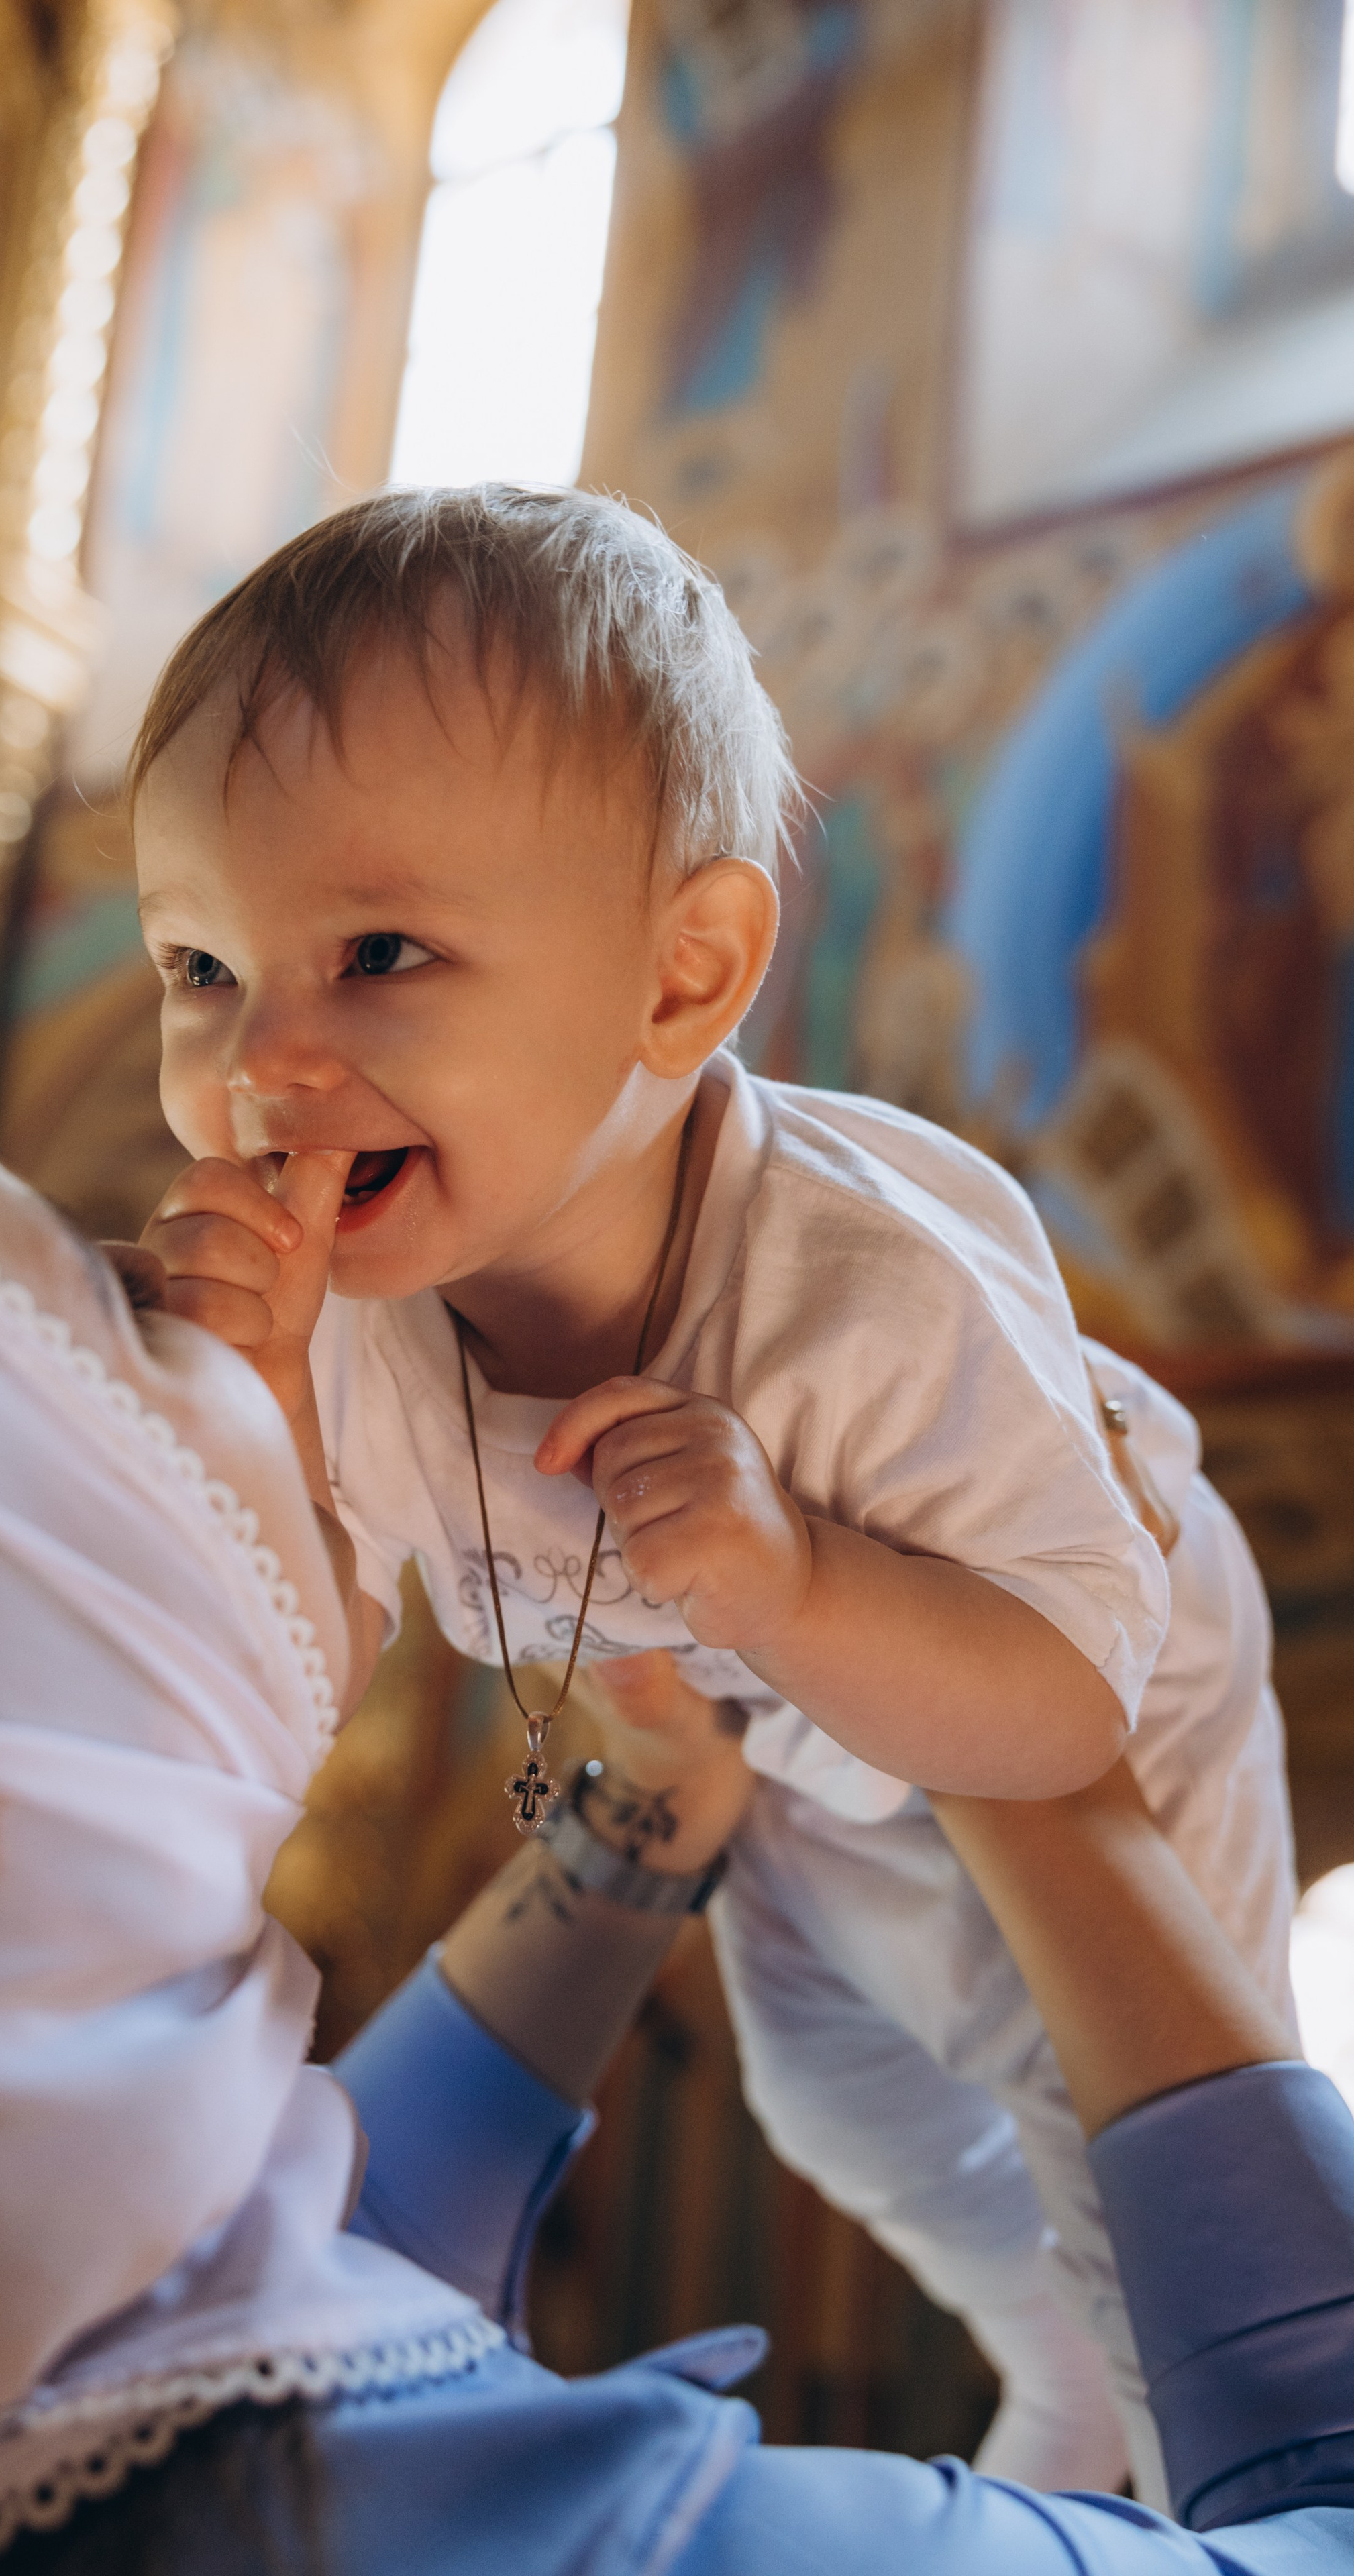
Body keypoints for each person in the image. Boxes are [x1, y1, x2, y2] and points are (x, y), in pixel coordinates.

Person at [0, 1040, 1351, 2576]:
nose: (210, 1329)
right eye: (110, 1328)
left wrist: (654, 1793)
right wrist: (1007, 1739)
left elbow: (365, 2206)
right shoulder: (545, 2541)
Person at [123, 483, 1296, 2496]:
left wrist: (800, 1579)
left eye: (377, 954)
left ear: (682, 981)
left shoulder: (865, 1289)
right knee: (842, 2111)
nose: (266, 1065)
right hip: (798, 1736)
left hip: (1071, 1684)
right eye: (204, 966)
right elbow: (294, 1663)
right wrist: (260, 1436)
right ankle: (1040, 2346)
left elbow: (1062, 1711)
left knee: (1115, 2140)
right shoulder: (374, 1319)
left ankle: (1160, 2454)